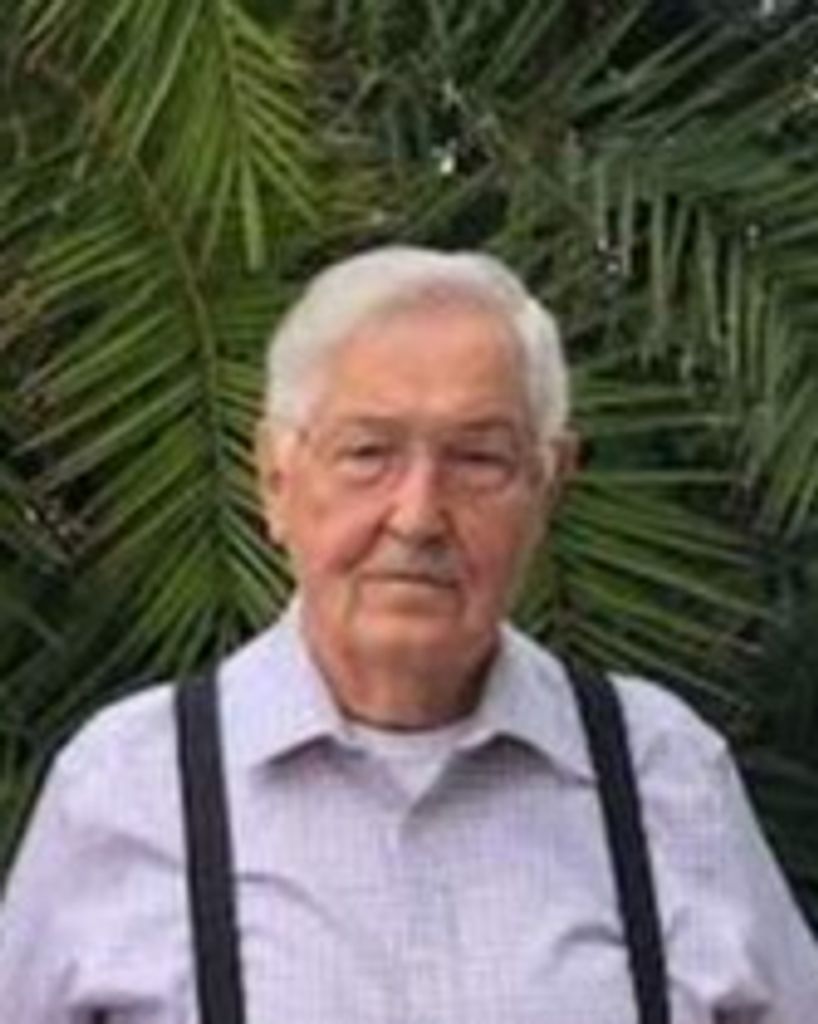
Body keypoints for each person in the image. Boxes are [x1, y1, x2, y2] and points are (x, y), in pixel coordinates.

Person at [1, 246, 816, 1023]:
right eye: (368, 453)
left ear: (547, 487)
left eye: (478, 460)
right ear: (276, 480)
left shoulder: (663, 775)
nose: (419, 515)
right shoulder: (128, 787)